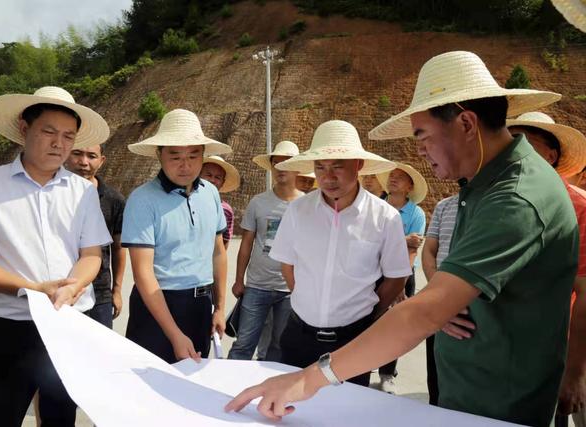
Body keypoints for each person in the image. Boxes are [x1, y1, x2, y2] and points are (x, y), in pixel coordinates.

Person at [225, 51, 574, 427]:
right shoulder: (484, 185)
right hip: (472, 388)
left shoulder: (514, 198)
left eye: (422, 135)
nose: (419, 150)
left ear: (466, 122)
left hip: (498, 402)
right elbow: (446, 295)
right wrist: (445, 301)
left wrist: (307, 379)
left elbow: (420, 310)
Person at [0, 86, 112, 427]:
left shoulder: (82, 191)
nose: (59, 143)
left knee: (60, 418)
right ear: (25, 128)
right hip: (8, 328)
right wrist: (31, 288)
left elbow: (92, 254)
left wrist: (73, 286)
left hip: (69, 324)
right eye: (48, 131)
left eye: (68, 136)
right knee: (1, 417)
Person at [251, 120, 411, 387]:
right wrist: (307, 300)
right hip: (298, 333)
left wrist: (367, 313)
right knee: (291, 410)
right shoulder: (298, 211)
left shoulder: (385, 217)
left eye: (338, 166)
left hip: (353, 343)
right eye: (320, 167)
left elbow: (396, 278)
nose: (328, 177)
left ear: (358, 165)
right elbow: (288, 266)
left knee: (343, 414)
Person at [122, 109, 230, 363]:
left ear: (204, 155)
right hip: (158, 307)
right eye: (175, 156)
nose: (185, 165)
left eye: (193, 155)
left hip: (201, 306)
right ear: (159, 154)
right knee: (149, 391)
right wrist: (174, 334)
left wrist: (220, 308)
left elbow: (218, 252)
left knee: (193, 389)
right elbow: (143, 273)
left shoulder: (211, 193)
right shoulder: (142, 199)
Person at [506, 112, 586, 427]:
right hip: (510, 349)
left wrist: (576, 372)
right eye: (509, 142)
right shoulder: (499, 203)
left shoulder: (576, 208)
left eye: (525, 142)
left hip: (566, 346)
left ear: (552, 155)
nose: (514, 151)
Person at [228, 141, 304, 361]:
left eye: (286, 163)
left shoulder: (306, 204)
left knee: (280, 346)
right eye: (276, 163)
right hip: (256, 286)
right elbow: (246, 244)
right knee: (243, 343)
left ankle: (270, 391)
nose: (280, 168)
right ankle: (228, 388)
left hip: (289, 289)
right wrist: (238, 279)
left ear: (297, 167)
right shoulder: (258, 203)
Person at [375, 162, 428, 393]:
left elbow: (413, 249)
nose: (392, 179)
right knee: (366, 320)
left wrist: (400, 285)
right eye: (391, 176)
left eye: (399, 177)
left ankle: (387, 373)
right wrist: (403, 240)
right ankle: (358, 368)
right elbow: (367, 241)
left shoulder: (416, 213)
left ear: (409, 187)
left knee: (396, 324)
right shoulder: (376, 207)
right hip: (374, 272)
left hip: (404, 273)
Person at [65, 144, 126, 328]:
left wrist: (116, 290)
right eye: (77, 153)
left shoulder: (114, 199)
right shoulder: (53, 194)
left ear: (102, 161)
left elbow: (118, 248)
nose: (84, 162)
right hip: (61, 289)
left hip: (100, 294)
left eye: (91, 156)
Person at [420, 193, 459, 405]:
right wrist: (440, 294)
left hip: (472, 308)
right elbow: (429, 250)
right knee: (435, 378)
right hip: (439, 302)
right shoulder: (444, 205)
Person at [200, 155, 241, 249]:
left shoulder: (225, 210)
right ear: (198, 175)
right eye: (208, 175)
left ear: (223, 182)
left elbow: (224, 242)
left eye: (218, 177)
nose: (212, 180)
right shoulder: (185, 202)